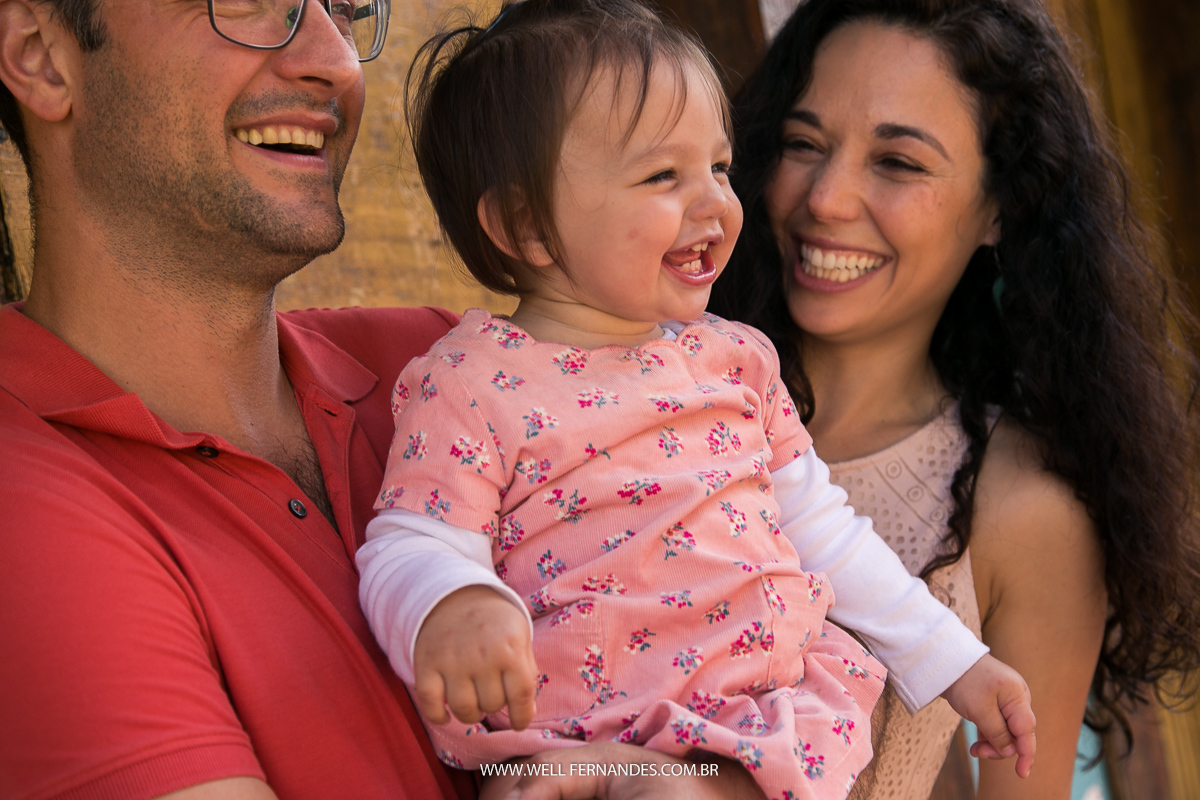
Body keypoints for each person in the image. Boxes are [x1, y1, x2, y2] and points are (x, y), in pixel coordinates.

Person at [0, 0, 777, 797]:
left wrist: (709, 782)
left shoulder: (472, 367)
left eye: (345, 7)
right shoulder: (25, 514)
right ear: (40, 53)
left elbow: (782, 603)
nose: (335, 61)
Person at [356, 2, 1035, 797]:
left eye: (718, 166)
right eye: (662, 177)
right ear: (525, 222)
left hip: (748, 720)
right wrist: (454, 598)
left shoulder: (734, 361)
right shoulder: (471, 384)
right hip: (574, 726)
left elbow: (826, 534)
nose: (716, 203)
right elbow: (409, 540)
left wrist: (953, 659)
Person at [709, 0, 1200, 798]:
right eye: (804, 143)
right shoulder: (666, 378)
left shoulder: (1023, 509)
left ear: (1001, 207)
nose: (827, 198)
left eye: (898, 163)